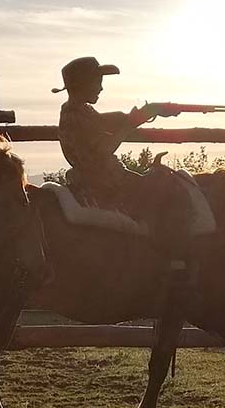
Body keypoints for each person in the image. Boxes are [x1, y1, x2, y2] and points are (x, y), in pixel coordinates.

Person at [54, 56, 197, 283]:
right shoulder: (76, 115)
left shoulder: (79, 111)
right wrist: (131, 123)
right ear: (83, 84)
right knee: (170, 194)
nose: (101, 87)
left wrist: (145, 113)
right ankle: (173, 261)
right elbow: (103, 149)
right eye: (97, 81)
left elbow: (113, 120)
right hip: (106, 180)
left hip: (102, 176)